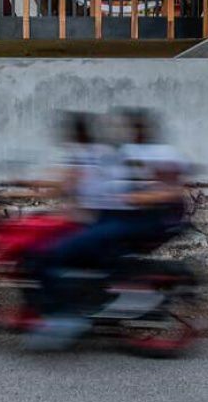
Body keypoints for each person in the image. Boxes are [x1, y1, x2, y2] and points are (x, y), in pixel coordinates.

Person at [24, 109, 190, 349]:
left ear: (140, 130)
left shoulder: (159, 154)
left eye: (128, 128)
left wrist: (138, 198)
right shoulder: (120, 152)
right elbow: (72, 182)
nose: (121, 132)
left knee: (54, 253)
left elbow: (172, 190)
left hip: (135, 221)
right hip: (116, 217)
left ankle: (63, 317)